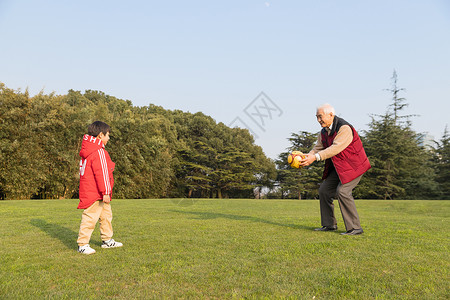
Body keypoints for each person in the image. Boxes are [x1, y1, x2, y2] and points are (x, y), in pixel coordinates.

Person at [300, 104, 371, 235]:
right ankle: (329, 225)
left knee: (343, 191)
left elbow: (335, 148)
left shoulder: (344, 128)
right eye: (316, 117)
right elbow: (318, 148)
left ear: (331, 115)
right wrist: (307, 156)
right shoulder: (323, 132)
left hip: (354, 166)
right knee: (324, 190)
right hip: (339, 167)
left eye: (320, 117)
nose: (318, 120)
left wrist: (315, 158)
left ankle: (355, 228)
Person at [77, 121, 123, 254]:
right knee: (90, 218)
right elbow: (102, 174)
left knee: (106, 216)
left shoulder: (89, 150)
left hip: (95, 191)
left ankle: (107, 240)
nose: (108, 138)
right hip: (96, 193)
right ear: (100, 135)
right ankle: (82, 244)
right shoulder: (99, 151)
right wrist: (106, 192)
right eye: (107, 135)